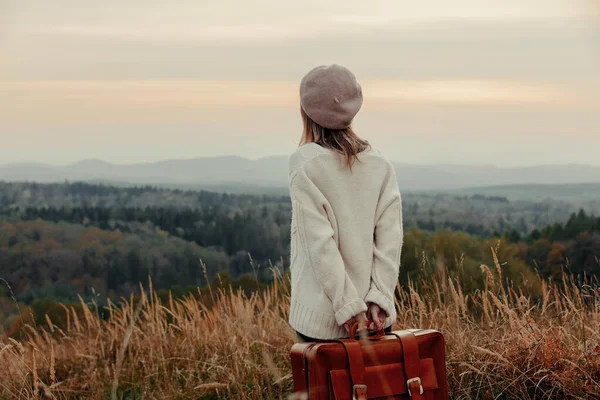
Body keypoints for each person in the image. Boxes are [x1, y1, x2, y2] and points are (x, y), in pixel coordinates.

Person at [288, 64, 403, 342]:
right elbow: (390, 241)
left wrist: (350, 310)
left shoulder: (305, 164)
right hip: (377, 320)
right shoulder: (381, 165)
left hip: (323, 323)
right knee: (381, 386)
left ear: (306, 111)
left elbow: (320, 246)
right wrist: (378, 300)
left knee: (323, 387)